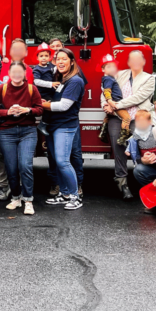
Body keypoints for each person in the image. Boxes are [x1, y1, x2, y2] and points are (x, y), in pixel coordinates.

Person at [0, 61, 44, 215]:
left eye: (20, 72)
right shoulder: (2, 88)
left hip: (28, 131)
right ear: (9, 73)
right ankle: (15, 198)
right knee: (11, 167)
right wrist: (8, 112)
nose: (16, 75)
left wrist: (26, 110)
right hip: (6, 132)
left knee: (25, 165)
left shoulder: (31, 89)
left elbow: (39, 109)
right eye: (13, 72)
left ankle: (28, 200)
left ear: (25, 73)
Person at [103, 49, 156, 200]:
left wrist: (116, 104)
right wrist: (106, 105)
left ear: (144, 62)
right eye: (132, 59)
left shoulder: (149, 78)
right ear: (128, 62)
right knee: (118, 144)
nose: (135, 62)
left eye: (138, 59)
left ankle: (145, 178)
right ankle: (122, 181)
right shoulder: (120, 74)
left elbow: (138, 98)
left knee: (142, 145)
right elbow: (105, 90)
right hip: (116, 116)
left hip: (138, 117)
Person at [43, 48, 86, 211]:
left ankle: (75, 196)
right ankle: (64, 193)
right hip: (54, 126)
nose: (60, 62)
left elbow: (64, 106)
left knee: (62, 161)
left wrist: (42, 105)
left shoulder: (75, 81)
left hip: (66, 126)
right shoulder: (62, 79)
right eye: (58, 59)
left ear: (72, 61)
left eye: (64, 59)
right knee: (57, 161)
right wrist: (46, 101)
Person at [32, 44, 60, 196]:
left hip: (50, 93)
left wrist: (56, 59)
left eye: (46, 55)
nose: (44, 58)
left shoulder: (50, 66)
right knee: (47, 108)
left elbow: (56, 70)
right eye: (41, 56)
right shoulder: (37, 69)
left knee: (50, 109)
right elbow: (36, 81)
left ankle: (45, 122)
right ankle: (43, 123)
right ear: (37, 58)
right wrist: (51, 84)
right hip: (43, 93)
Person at [99, 54, 132, 146]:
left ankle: (103, 133)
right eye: (108, 66)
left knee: (108, 117)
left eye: (113, 66)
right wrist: (110, 102)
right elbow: (107, 91)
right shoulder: (108, 79)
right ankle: (122, 138)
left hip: (113, 102)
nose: (112, 68)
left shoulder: (107, 79)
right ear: (103, 69)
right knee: (126, 118)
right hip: (116, 102)